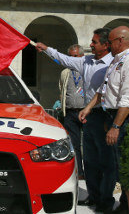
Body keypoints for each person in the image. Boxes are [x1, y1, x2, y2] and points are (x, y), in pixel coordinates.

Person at [36, 28, 114, 209]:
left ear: (105, 45)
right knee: (90, 159)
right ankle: (94, 196)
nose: (91, 45)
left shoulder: (112, 63)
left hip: (105, 113)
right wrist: (46, 49)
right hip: (90, 115)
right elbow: (65, 59)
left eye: (95, 42)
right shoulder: (86, 61)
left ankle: (106, 199)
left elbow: (105, 91)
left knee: (106, 160)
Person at [79, 26, 129, 214]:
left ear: (120, 41)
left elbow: (128, 99)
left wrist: (116, 126)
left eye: (110, 41)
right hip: (110, 116)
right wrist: (88, 107)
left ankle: (126, 205)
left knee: (123, 165)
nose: (108, 45)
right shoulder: (117, 61)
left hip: (123, 119)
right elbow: (103, 90)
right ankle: (109, 202)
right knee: (111, 163)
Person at [58, 44, 86, 178]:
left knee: (88, 144)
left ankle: (91, 172)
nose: (72, 59)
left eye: (75, 56)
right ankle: (78, 172)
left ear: (82, 56)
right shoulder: (65, 72)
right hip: (70, 113)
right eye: (70, 57)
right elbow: (62, 90)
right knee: (74, 145)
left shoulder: (87, 70)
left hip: (86, 112)